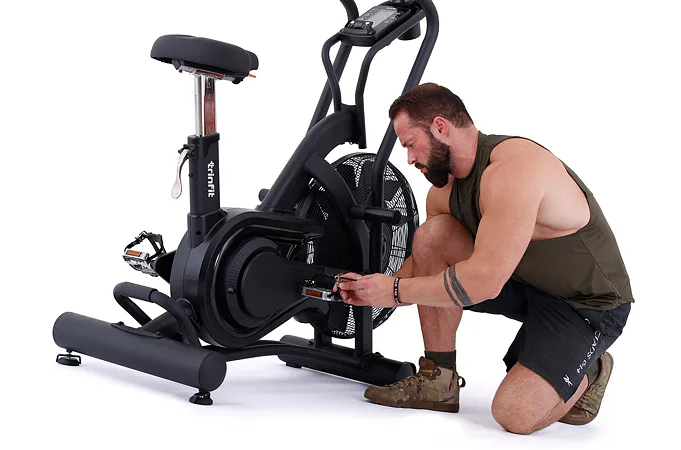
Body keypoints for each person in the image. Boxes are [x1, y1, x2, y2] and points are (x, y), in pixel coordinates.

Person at [333, 83, 633, 435]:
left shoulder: (514, 170)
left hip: (588, 307)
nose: (410, 159)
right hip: (524, 284)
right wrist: (371, 290)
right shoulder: (443, 193)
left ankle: (591, 369)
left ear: (440, 127)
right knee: (432, 236)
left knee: (514, 414)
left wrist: (395, 291)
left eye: (410, 144)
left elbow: (484, 282)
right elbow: (426, 264)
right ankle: (439, 380)